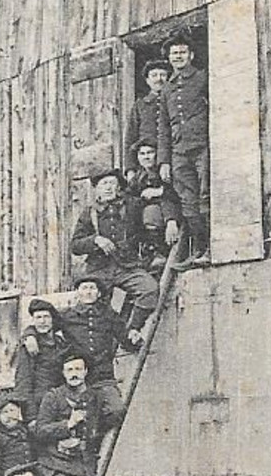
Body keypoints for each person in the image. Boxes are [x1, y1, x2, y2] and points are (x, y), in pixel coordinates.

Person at [71, 169, 160, 341]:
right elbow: (75, 246)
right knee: (92, 307)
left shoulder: (133, 206)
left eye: (112, 183)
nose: (108, 188)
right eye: (104, 184)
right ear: (96, 190)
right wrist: (96, 240)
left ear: (119, 187)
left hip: (128, 266)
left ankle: (131, 331)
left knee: (150, 289)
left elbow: (153, 212)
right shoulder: (89, 213)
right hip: (99, 269)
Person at [32, 352, 125, 476]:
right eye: (69, 370)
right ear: (63, 373)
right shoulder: (53, 396)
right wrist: (68, 424)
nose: (74, 374)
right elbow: (41, 431)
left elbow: (113, 416)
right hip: (54, 467)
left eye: (78, 369)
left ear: (86, 371)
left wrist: (92, 429)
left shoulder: (97, 397)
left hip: (82, 468)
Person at [157, 35, 210, 259]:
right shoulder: (167, 88)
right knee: (187, 201)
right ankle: (199, 247)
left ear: (191, 55)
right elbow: (164, 127)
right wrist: (164, 161)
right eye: (174, 54)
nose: (178, 56)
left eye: (182, 52)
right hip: (179, 151)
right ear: (169, 59)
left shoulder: (202, 78)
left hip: (202, 146)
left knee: (205, 195)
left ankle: (211, 247)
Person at [56, 277, 133, 408]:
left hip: (104, 377)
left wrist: (134, 336)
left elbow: (124, 337)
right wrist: (30, 335)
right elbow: (43, 327)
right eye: (84, 288)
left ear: (98, 293)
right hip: (78, 377)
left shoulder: (108, 315)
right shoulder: (66, 316)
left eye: (92, 288)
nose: (88, 292)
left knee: (117, 410)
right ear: (77, 292)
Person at [13, 301, 73, 419]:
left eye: (46, 317)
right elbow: (23, 383)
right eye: (38, 317)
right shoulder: (30, 347)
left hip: (61, 404)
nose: (42, 321)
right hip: (40, 406)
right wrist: (31, 417)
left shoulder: (61, 343)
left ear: (52, 320)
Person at [124, 140, 180, 262]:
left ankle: (159, 252)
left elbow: (176, 196)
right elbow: (129, 196)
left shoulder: (165, 173)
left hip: (168, 216)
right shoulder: (138, 177)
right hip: (144, 221)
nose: (146, 157)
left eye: (150, 153)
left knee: (151, 211)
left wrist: (159, 192)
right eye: (142, 154)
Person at [123, 57, 172, 166]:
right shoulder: (140, 105)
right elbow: (130, 137)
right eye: (154, 75)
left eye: (163, 75)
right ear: (147, 80)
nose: (159, 79)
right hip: (147, 162)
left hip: (171, 160)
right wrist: (130, 168)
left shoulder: (174, 102)